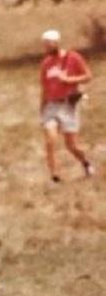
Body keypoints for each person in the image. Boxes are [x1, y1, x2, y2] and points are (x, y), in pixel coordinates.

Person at [39, 29, 94, 183]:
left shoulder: (73, 58)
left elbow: (88, 76)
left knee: (72, 146)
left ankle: (85, 163)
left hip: (68, 106)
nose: (46, 48)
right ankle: (54, 176)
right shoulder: (46, 64)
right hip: (51, 106)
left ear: (56, 43)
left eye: (48, 45)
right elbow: (44, 88)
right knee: (50, 140)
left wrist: (69, 79)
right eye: (44, 45)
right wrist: (42, 108)